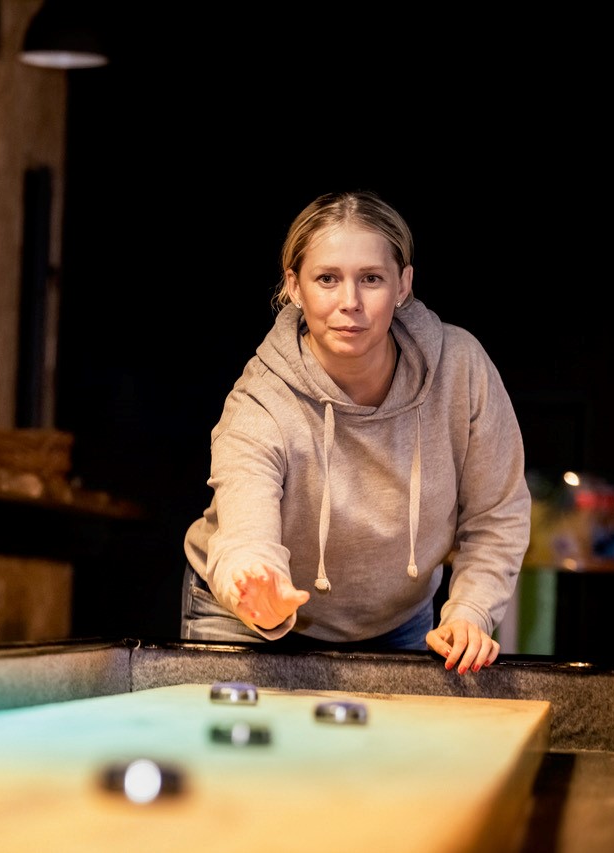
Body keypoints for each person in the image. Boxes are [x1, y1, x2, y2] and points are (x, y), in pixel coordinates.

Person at [181, 190, 529, 674]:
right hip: (246, 623)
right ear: (294, 286)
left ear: (403, 284)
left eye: (371, 279)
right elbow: (245, 531)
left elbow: (497, 513)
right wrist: (257, 584)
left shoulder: (460, 369)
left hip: (399, 624)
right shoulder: (259, 401)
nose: (350, 302)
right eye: (327, 278)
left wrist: (471, 611)